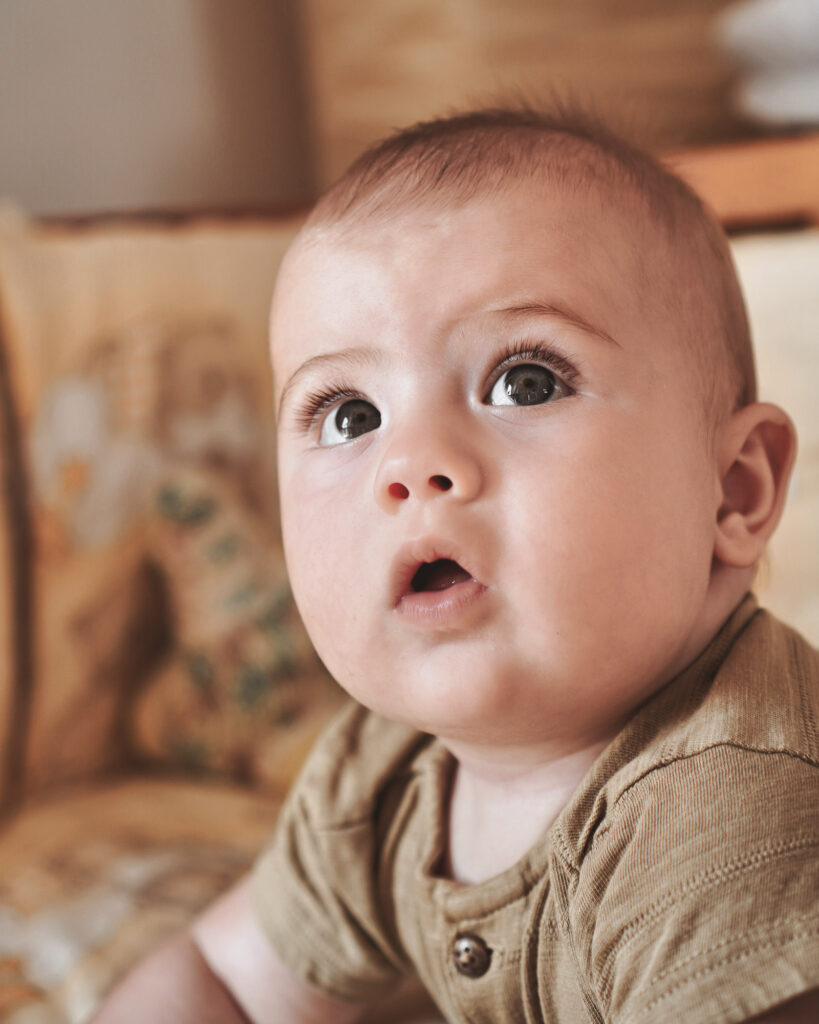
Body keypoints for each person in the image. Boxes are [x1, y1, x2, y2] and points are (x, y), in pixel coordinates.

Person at [91, 107, 819, 1023]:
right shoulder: (385, 768)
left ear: (732, 491)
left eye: (524, 381)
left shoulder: (728, 814)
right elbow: (222, 979)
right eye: (351, 414)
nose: (412, 466)